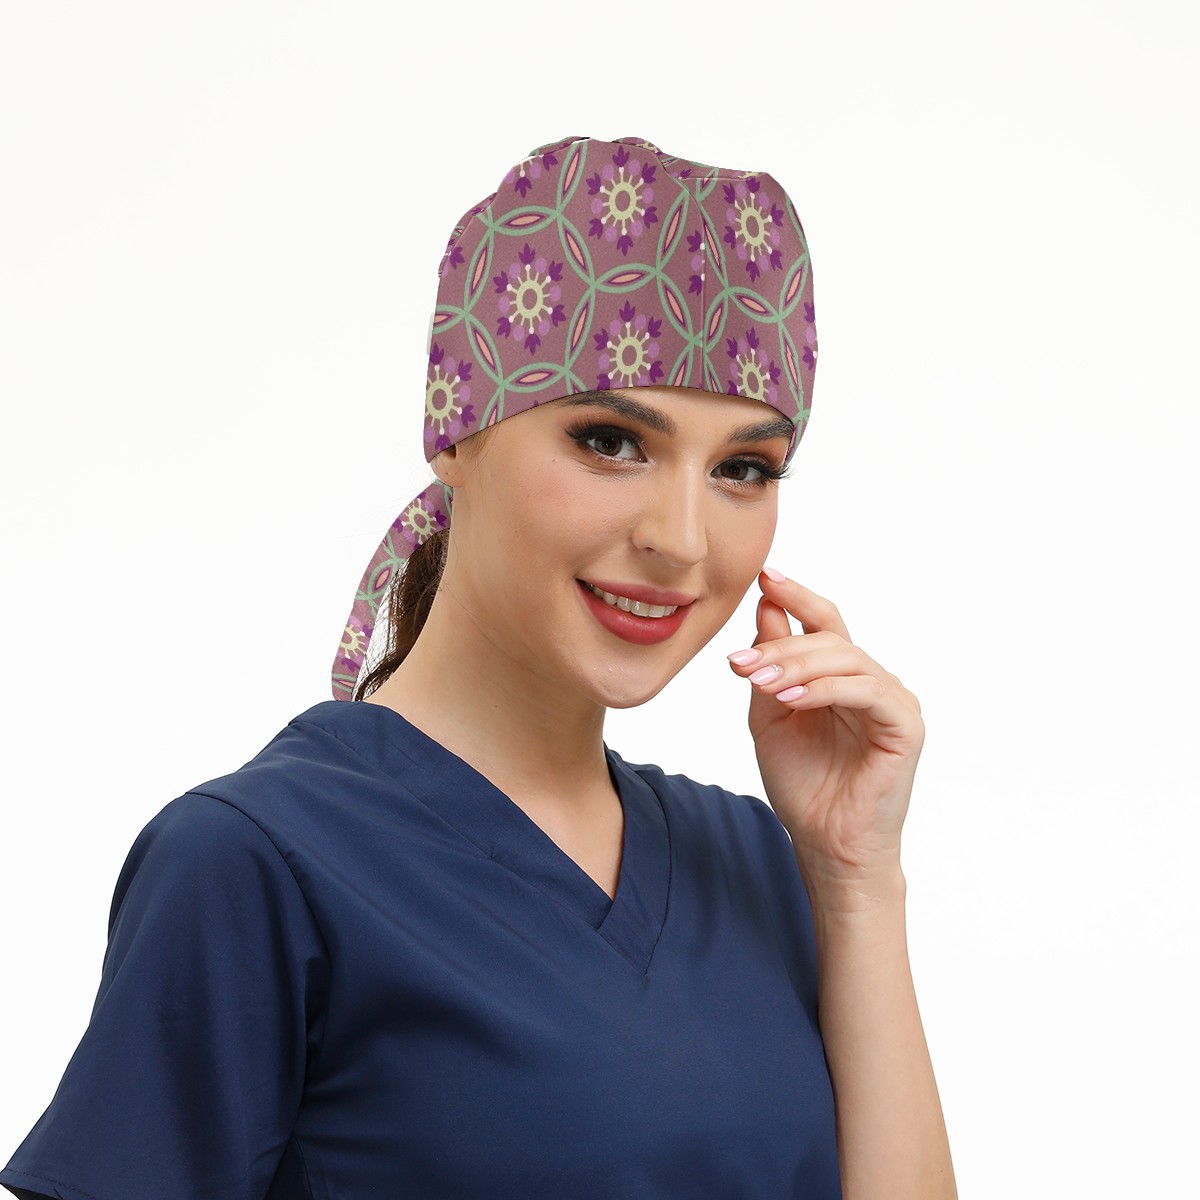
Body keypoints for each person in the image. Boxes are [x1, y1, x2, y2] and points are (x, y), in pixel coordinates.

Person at [1, 134, 957, 1199]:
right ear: (457, 431)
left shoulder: (751, 860)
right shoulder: (254, 865)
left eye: (743, 468)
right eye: (611, 442)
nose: (683, 540)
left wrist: (856, 879)